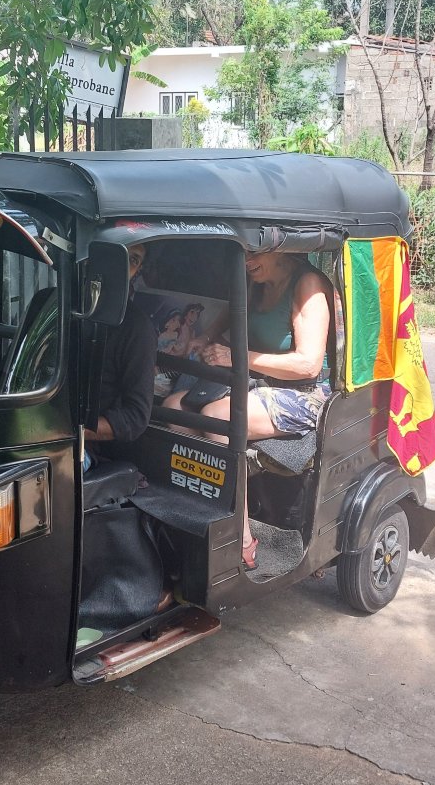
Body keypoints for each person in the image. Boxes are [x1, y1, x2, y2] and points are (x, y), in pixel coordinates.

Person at [165, 248, 332, 569]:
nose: (246, 261)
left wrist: (237, 357)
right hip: (255, 380)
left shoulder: (307, 284)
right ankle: (203, 511)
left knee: (217, 417)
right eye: (243, 253)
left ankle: (239, 536)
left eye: (254, 252)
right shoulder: (255, 280)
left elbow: (308, 364)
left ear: (280, 248)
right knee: (175, 407)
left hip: (303, 393)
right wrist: (206, 338)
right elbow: (234, 311)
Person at [84, 244, 157, 467]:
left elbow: (135, 417)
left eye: (132, 259)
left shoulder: (137, 328)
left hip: (81, 448)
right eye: (115, 251)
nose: (121, 264)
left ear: (137, 271)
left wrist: (68, 433)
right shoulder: (51, 303)